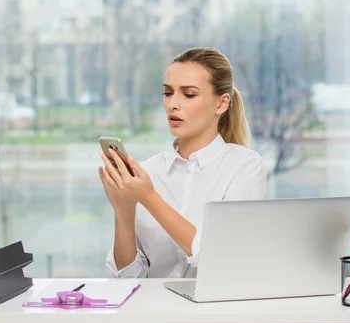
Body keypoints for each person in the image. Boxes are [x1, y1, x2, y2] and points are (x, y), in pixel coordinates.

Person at [99, 47, 267, 278]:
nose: (172, 105)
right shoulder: (147, 173)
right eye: (168, 93)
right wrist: (124, 211)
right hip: (152, 312)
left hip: (214, 312)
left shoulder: (243, 166)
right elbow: (126, 279)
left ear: (222, 103)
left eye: (188, 94)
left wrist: (149, 198)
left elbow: (221, 258)